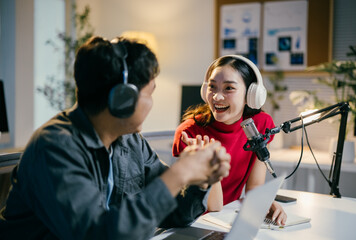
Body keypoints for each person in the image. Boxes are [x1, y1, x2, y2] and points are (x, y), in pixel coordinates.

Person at [0, 36, 231, 240]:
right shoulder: (55, 147)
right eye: (149, 93)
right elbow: (97, 233)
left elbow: (174, 214)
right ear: (124, 98)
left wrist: (198, 182)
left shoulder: (130, 141)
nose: (152, 103)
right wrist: (178, 173)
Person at [172, 55, 287, 225]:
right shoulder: (190, 132)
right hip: (194, 222)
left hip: (227, 219)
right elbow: (206, 205)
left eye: (228, 88)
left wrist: (264, 203)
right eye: (212, 87)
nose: (217, 97)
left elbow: (254, 187)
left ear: (250, 94)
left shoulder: (261, 125)